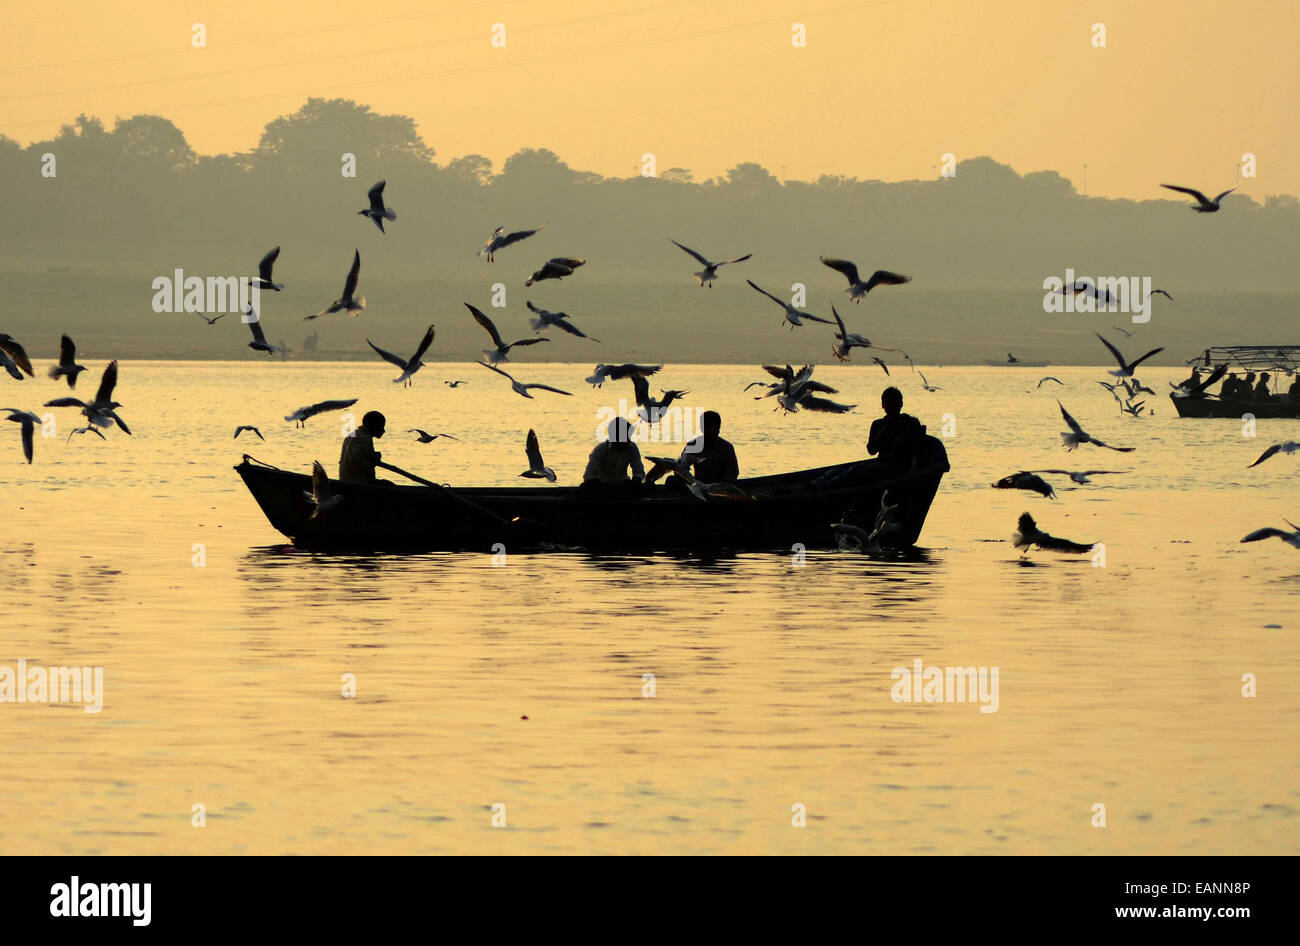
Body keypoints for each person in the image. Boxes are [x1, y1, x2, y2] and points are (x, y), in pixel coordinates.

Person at [649, 410, 739, 487]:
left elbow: (733, 473)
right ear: (701, 428)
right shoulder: (693, 445)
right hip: (697, 485)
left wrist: (719, 485)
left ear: (719, 428)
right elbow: (681, 469)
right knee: (671, 480)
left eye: (713, 427)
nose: (710, 430)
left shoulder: (727, 447)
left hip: (720, 486)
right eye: (707, 427)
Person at [867, 387, 925, 469]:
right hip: (882, 466)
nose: (892, 406)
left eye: (895, 402)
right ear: (883, 405)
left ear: (901, 404)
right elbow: (871, 450)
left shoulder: (910, 422)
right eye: (889, 403)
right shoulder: (878, 424)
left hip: (904, 466)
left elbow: (919, 448)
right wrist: (884, 432)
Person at [582, 417, 644, 487]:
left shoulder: (632, 448)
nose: (629, 440)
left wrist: (635, 481)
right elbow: (588, 476)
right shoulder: (600, 450)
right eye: (626, 436)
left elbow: (639, 471)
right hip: (602, 487)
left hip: (623, 486)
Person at [339, 410, 386, 484]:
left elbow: (356, 454)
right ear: (374, 425)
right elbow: (354, 458)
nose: (383, 430)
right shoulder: (364, 438)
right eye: (381, 426)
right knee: (389, 485)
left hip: (345, 480)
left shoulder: (352, 435)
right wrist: (371, 464)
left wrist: (372, 455)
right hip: (358, 482)